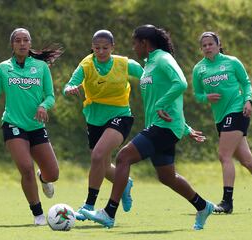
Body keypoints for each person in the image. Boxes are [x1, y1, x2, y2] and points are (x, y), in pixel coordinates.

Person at [80, 24, 215, 230]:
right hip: (166, 125)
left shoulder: (162, 58)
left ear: (145, 43)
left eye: (135, 43)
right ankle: (203, 206)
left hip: (164, 127)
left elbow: (180, 83)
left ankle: (109, 212)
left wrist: (170, 114)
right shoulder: (150, 63)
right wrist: (185, 127)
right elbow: (163, 98)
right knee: (167, 177)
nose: (133, 47)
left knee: (124, 157)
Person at [0, 28, 63, 225]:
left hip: (36, 126)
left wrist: (44, 106)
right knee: (26, 168)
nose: (22, 43)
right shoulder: (3, 68)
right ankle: (38, 214)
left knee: (53, 174)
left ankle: (43, 178)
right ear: (12, 44)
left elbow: (50, 96)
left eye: (26, 40)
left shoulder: (41, 67)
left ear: (30, 44)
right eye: (18, 40)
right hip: (13, 124)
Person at [192, 31, 252, 214]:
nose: (207, 48)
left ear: (219, 45)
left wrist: (248, 100)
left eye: (211, 44)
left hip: (237, 110)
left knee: (223, 155)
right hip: (220, 117)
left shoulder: (232, 62)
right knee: (247, 161)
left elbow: (246, 83)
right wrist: (206, 97)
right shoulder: (199, 69)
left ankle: (227, 202)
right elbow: (197, 94)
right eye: (204, 45)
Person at [63, 30, 144, 220]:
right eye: (97, 48)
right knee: (104, 164)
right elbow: (69, 85)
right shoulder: (86, 65)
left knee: (97, 155)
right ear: (92, 47)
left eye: (105, 48)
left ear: (112, 47)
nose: (101, 51)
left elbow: (148, 76)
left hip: (120, 115)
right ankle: (124, 184)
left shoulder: (123, 64)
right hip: (94, 118)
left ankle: (88, 205)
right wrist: (70, 89)